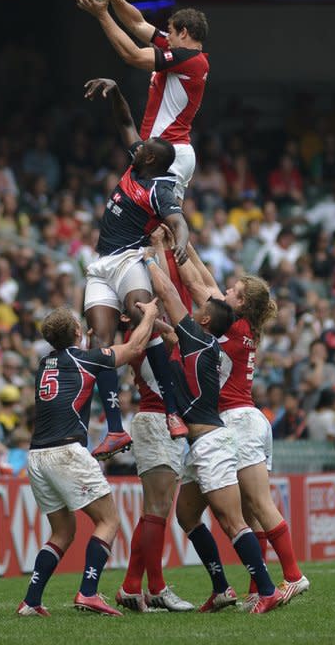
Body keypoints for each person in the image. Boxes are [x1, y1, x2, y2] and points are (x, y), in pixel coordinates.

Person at [167, 235, 309, 606]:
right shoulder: (242, 326)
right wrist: (186, 246)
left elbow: (198, 285)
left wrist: (168, 252)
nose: (225, 290)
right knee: (238, 509)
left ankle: (293, 576)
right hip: (237, 420)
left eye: (232, 289)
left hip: (235, 420)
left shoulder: (229, 323)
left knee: (258, 505)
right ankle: (248, 589)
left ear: (241, 302)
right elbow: (205, 277)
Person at [144, 250, 284, 615]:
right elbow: (172, 333)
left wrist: (149, 260)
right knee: (187, 515)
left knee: (233, 520)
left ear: (204, 319)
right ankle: (222, 587)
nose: (193, 311)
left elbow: (175, 294)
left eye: (199, 310)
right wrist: (150, 322)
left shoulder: (198, 339)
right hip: (201, 442)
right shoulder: (200, 342)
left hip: (212, 443)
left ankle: (267, 589)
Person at [17, 299, 159, 618]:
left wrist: (83, 341)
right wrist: (149, 314)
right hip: (66, 452)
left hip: (37, 455)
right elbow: (134, 347)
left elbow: (75, 357)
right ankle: (89, 592)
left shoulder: (45, 362)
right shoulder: (86, 359)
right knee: (108, 521)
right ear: (79, 331)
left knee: (62, 532)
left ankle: (31, 600)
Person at [83, 78, 191, 460]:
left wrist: (181, 237)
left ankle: (174, 411)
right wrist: (115, 89)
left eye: (143, 147)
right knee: (99, 343)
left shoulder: (159, 187)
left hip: (130, 259)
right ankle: (114, 430)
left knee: (143, 316)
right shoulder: (137, 162)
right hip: (101, 266)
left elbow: (177, 219)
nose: (138, 143)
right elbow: (125, 121)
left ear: (148, 159)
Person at [116, 231, 193, 613]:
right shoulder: (141, 336)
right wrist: (154, 255)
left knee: (155, 510)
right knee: (157, 509)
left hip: (160, 422)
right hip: (155, 421)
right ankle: (156, 586)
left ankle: (133, 586)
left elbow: (168, 308)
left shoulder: (153, 334)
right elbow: (164, 313)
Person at [77, 0, 209, 201]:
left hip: (168, 152)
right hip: (164, 152)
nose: (168, 38)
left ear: (183, 33)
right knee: (155, 229)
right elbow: (138, 24)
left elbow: (133, 56)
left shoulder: (189, 59)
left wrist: (102, 14)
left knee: (159, 228)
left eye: (172, 33)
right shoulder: (185, 55)